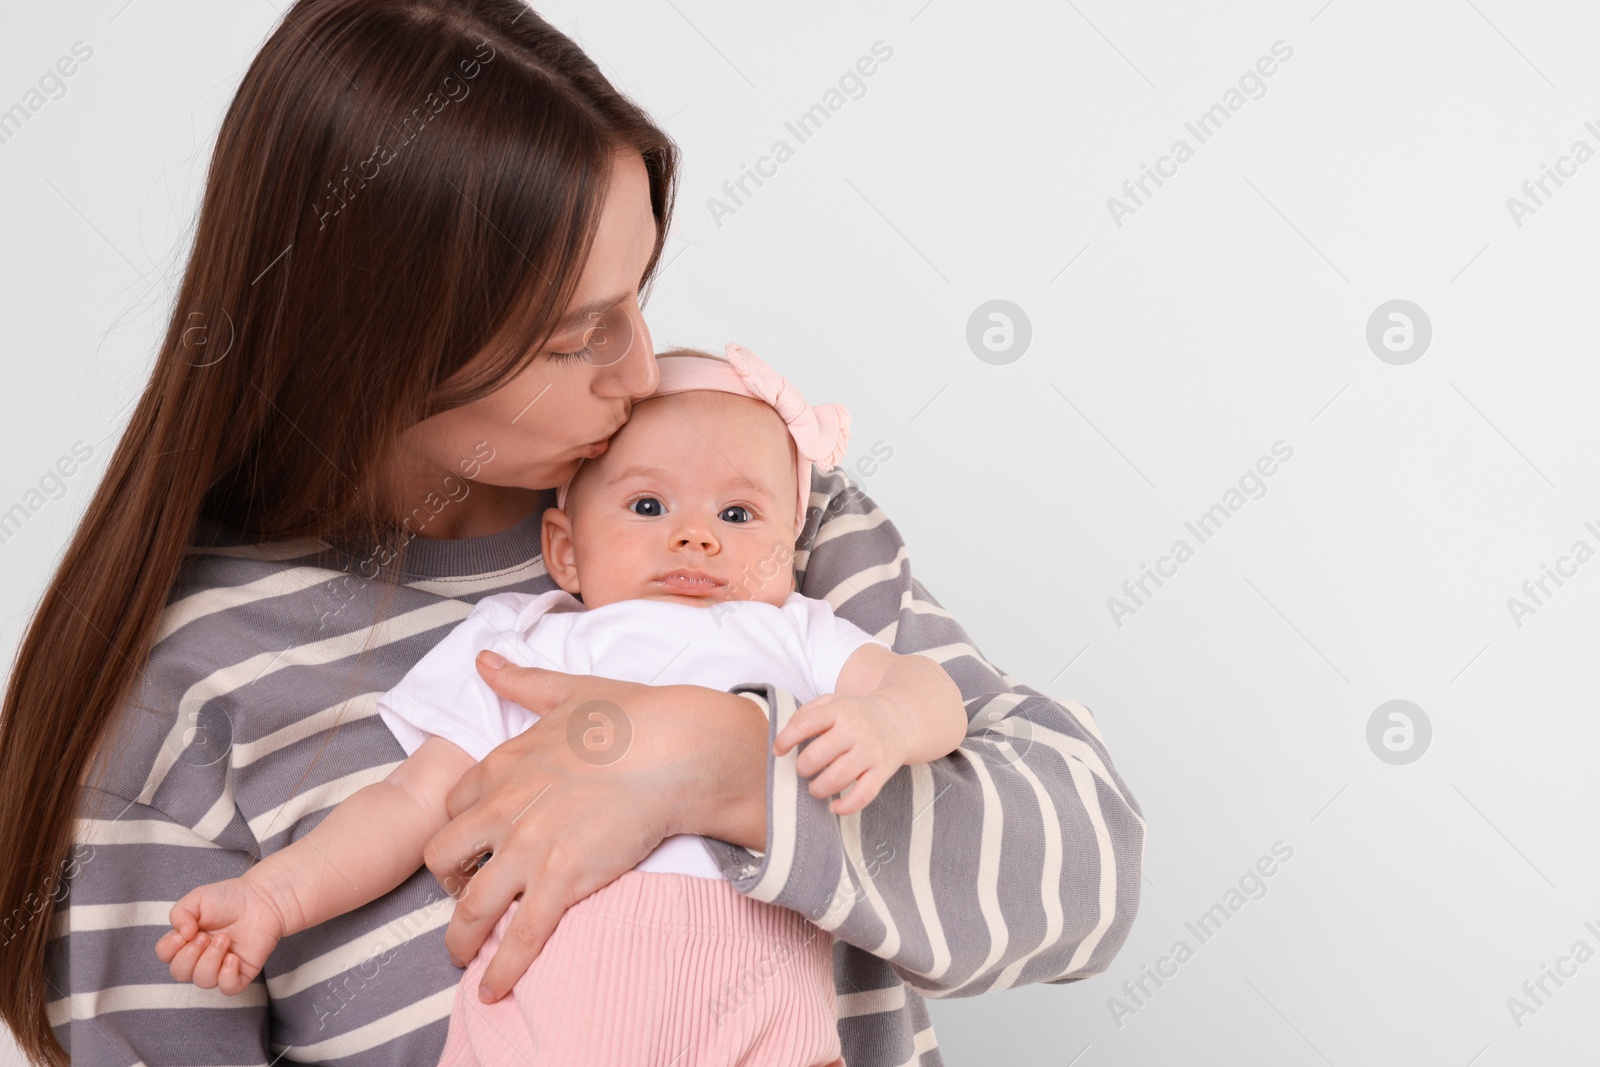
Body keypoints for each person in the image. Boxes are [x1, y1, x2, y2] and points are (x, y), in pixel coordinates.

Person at [0, 2, 1145, 1065]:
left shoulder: (733, 515)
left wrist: (724, 769)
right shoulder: (183, 708)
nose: (642, 371)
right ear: (377, 341)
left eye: (639, 291)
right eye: (574, 335)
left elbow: (1088, 873)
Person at [154, 345, 970, 1066]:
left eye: (738, 513)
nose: (697, 536)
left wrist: (889, 722)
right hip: (560, 1012)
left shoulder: (795, 630)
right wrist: (273, 896)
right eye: (648, 506)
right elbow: (408, 802)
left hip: (768, 1013)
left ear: (792, 548)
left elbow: (932, 691)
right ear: (565, 551)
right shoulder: (530, 644)